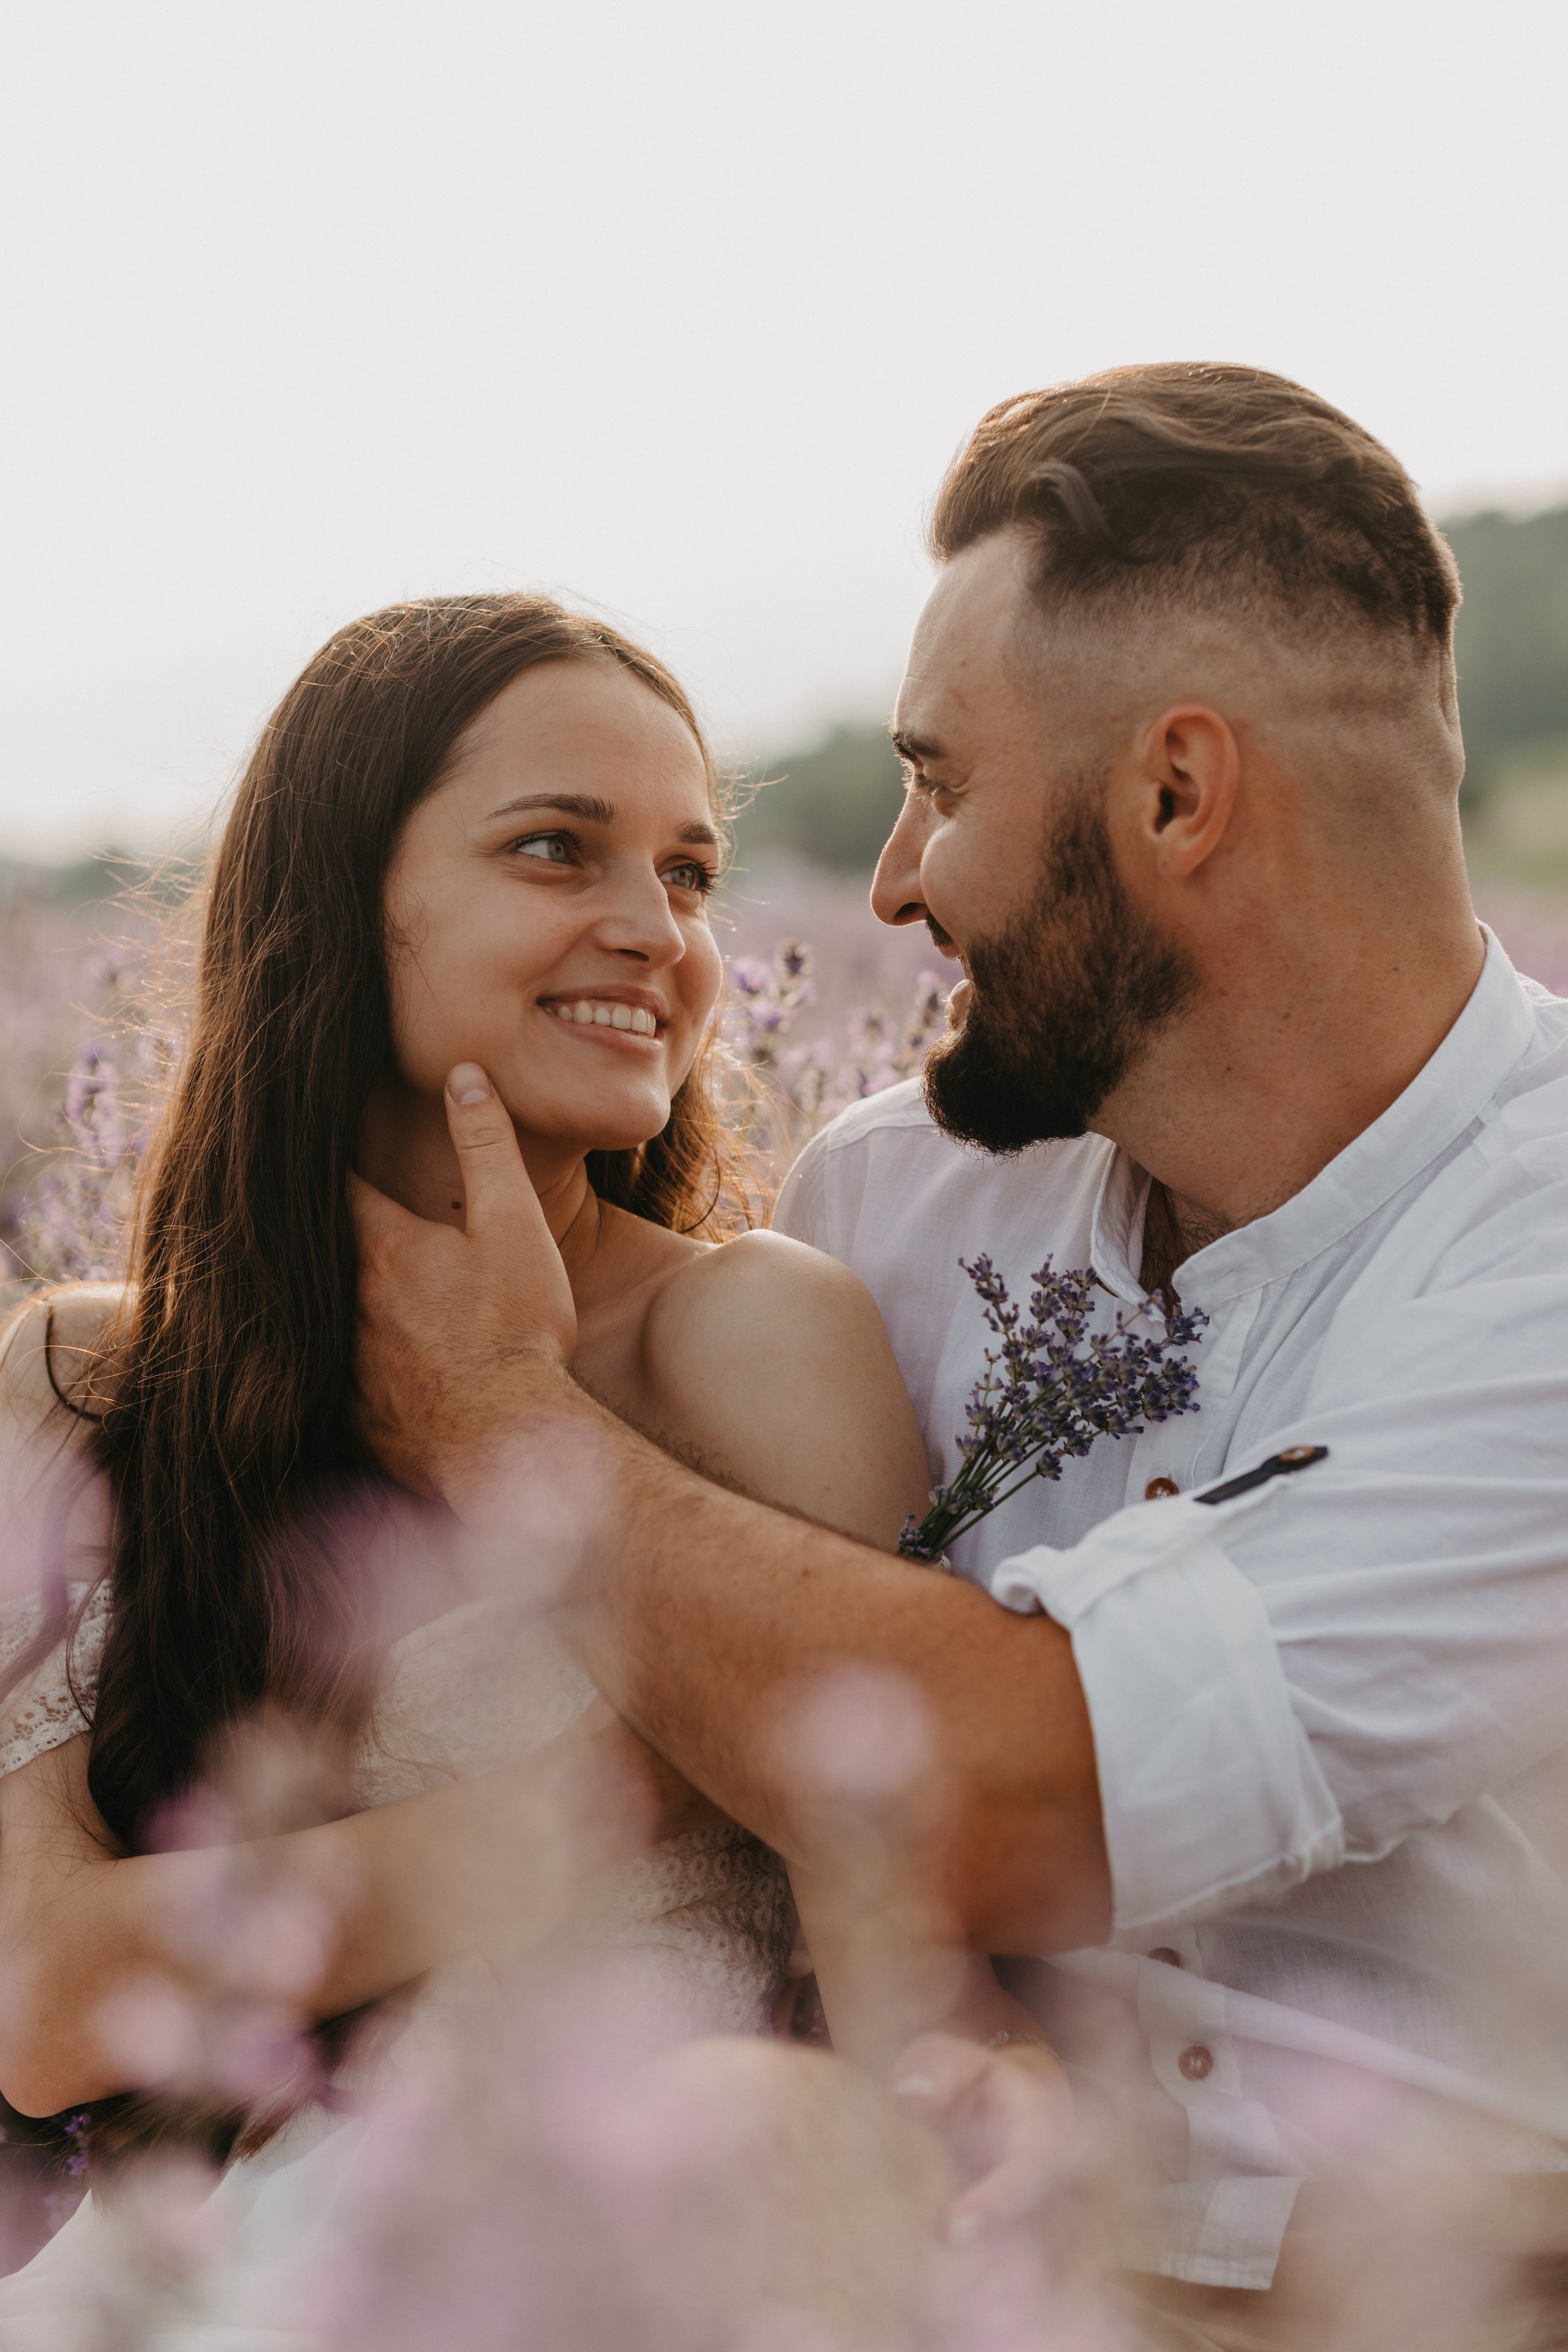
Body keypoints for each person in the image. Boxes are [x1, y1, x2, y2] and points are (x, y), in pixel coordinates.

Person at [349, 368, 1568, 2337]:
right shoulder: (897, 1204)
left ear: (1175, 796)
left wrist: (501, 1424)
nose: (897, 877)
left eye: (945, 780)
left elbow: (1017, 1799)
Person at [0, 593, 1057, 2342]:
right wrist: (632, 1780)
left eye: (696, 876)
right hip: (196, 2276)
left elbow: (896, 1952)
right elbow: (41, 2000)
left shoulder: (749, 1340)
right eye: (559, 850)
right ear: (346, 898)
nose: (655, 931)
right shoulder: (81, 1378)